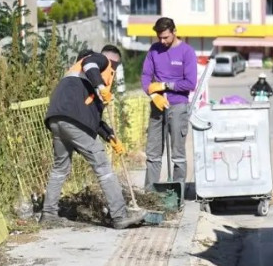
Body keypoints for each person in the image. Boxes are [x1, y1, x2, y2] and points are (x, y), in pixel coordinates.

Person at [41, 45, 146, 229]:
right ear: (113, 61)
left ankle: (48, 213)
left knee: (60, 168)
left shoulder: (78, 76)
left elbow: (93, 118)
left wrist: (111, 137)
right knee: (103, 167)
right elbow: (91, 64)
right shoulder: (98, 60)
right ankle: (120, 215)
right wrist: (100, 86)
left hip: (56, 119)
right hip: (73, 120)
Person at [141, 18, 198, 190]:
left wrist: (166, 85)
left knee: (178, 155)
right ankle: (150, 193)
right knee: (153, 154)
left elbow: (190, 83)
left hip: (178, 106)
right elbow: (145, 76)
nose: (162, 41)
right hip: (158, 106)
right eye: (159, 37)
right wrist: (152, 95)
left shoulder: (187, 52)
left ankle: (177, 192)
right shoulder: (154, 50)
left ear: (174, 31)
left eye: (165, 37)